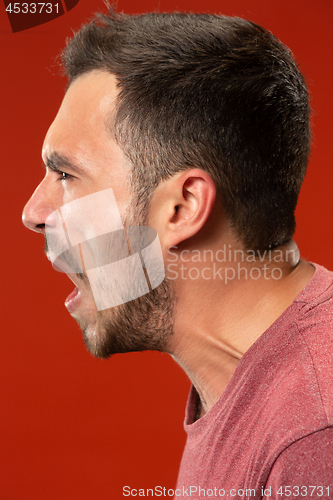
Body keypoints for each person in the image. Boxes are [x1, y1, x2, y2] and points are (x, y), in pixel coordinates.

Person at [22, 9, 333, 499]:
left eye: (66, 175)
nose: (34, 212)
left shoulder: (312, 434)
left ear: (183, 207)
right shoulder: (254, 392)